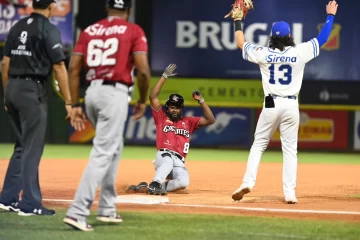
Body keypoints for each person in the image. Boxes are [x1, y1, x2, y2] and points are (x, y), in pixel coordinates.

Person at [228, 1, 338, 204]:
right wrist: (330, 15)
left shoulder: (264, 53)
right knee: (290, 150)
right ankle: (289, 192)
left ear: (272, 37)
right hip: (291, 105)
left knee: (259, 144)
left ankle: (248, 181)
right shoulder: (300, 52)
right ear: (289, 36)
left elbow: (240, 43)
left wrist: (238, 20)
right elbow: (322, 38)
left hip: (271, 104)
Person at [63, 0, 150, 232]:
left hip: (91, 93)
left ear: (107, 8)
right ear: (128, 10)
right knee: (103, 152)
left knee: (114, 147)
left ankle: (107, 208)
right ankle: (78, 211)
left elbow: (73, 68)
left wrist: (73, 102)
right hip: (114, 93)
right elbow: (142, 70)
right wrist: (142, 99)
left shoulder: (90, 30)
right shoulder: (133, 30)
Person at [0, 0, 72, 216]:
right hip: (32, 90)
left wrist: (7, 94)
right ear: (50, 7)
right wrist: (69, 101)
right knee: (32, 147)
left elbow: (5, 63)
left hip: (12, 86)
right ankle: (30, 203)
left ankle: (7, 198)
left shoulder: (17, 26)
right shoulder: (48, 28)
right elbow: (59, 66)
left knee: (22, 145)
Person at [126, 64, 216, 195]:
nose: (174, 109)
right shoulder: (161, 117)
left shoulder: (188, 122)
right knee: (167, 160)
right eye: (172, 106)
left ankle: (148, 186)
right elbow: (153, 97)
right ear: (167, 108)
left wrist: (201, 100)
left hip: (179, 161)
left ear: (181, 109)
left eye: (177, 107)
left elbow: (211, 120)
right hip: (163, 156)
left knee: (183, 182)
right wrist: (164, 76)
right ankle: (155, 183)